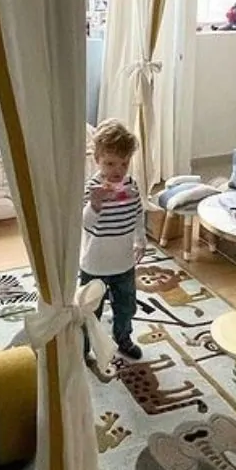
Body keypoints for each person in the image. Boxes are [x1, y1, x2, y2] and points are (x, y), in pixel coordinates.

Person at [80, 119, 147, 364]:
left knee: (126, 306)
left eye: (124, 163)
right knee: (90, 309)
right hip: (95, 264)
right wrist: (96, 204)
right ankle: (84, 346)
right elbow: (86, 224)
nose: (117, 170)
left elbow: (138, 214)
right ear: (97, 159)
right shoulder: (92, 189)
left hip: (124, 263)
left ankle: (123, 338)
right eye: (110, 163)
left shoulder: (131, 186)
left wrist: (141, 239)